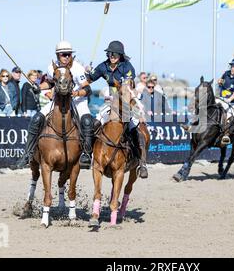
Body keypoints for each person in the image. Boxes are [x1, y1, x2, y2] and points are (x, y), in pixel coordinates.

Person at [11, 41, 93, 170]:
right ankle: (27, 154)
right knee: (36, 119)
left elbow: (87, 89)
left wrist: (76, 93)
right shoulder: (51, 67)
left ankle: (86, 155)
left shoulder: (77, 68)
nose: (66, 57)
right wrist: (38, 87)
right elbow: (50, 83)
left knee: (87, 121)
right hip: (57, 101)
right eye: (63, 54)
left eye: (69, 54)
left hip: (77, 101)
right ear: (57, 55)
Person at [87, 40, 149, 179]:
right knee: (95, 125)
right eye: (110, 53)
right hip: (110, 104)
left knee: (136, 130)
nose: (112, 56)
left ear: (120, 55)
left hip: (125, 103)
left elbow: (127, 87)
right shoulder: (103, 66)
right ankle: (87, 155)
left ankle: (142, 163)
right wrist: (87, 73)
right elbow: (89, 80)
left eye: (115, 53)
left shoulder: (127, 67)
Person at [216, 57, 234, 144]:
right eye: (233, 66)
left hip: (233, 102)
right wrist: (219, 81)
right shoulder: (225, 74)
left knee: (230, 116)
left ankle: (226, 135)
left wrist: (229, 100)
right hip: (222, 99)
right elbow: (220, 83)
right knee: (210, 108)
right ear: (231, 66)